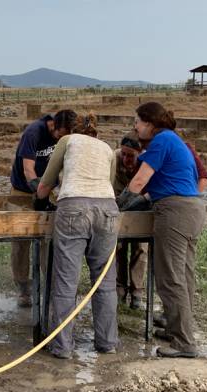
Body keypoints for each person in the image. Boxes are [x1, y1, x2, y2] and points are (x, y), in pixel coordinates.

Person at [118, 101, 205, 359]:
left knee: (170, 277)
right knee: (184, 274)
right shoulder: (173, 140)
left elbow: (140, 180)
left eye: (137, 121)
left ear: (149, 123)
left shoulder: (162, 140)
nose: (135, 126)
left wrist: (118, 205)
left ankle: (184, 343)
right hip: (192, 209)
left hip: (175, 211)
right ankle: (175, 327)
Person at [36, 113, 119, 359]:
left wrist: (39, 197)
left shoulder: (68, 141)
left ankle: (62, 346)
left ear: (73, 129)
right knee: (105, 281)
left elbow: (45, 185)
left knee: (66, 281)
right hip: (108, 210)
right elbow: (109, 185)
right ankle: (107, 343)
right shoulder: (107, 148)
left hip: (73, 208)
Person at [9, 109, 77, 307]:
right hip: (23, 189)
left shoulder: (67, 138)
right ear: (54, 126)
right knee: (21, 239)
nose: (61, 139)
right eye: (60, 135)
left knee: (48, 238)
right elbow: (28, 168)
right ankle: (23, 287)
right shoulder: (34, 132)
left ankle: (49, 284)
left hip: (48, 190)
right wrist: (35, 187)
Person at [113, 132, 148, 310]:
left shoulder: (147, 162)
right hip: (118, 202)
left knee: (140, 248)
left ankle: (137, 293)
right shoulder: (115, 158)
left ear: (140, 153)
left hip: (140, 205)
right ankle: (119, 290)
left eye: (131, 155)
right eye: (124, 154)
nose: (126, 158)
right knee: (118, 247)